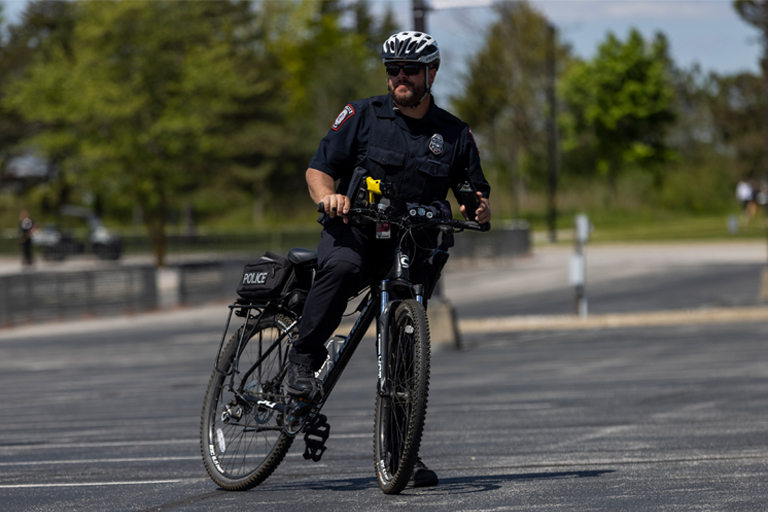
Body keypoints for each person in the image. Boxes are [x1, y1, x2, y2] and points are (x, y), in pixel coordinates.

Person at [285, 31, 491, 487]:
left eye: (410, 70)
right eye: (393, 70)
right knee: (341, 269)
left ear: (430, 74)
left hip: (414, 245)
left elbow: (470, 188)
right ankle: (302, 362)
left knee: (402, 348)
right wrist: (328, 198)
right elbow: (319, 169)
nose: (400, 77)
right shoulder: (361, 115)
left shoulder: (453, 133)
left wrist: (476, 206)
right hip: (357, 232)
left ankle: (403, 455)